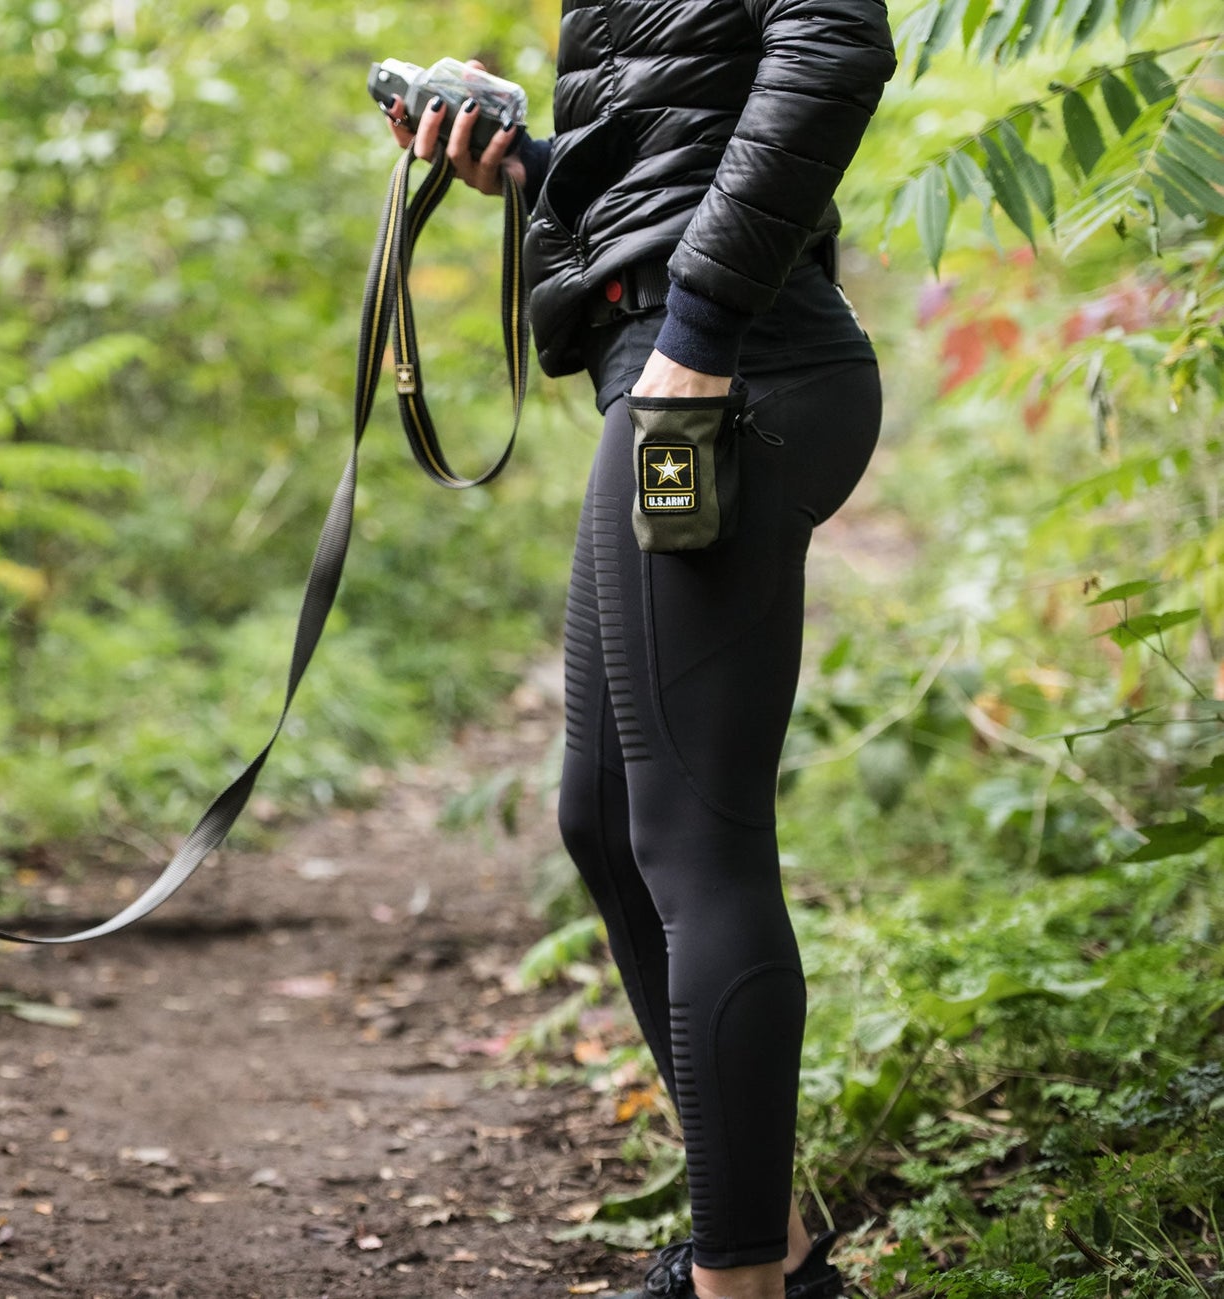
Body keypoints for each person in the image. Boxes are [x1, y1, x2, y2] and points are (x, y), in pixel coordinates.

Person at [382, 5, 897, 1299]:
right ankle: (765, 1248)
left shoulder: (715, 333)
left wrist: (702, 327)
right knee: (605, 817)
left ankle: (742, 1288)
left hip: (732, 363)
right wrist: (535, 167)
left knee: (691, 838)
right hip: (673, 354)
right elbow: (682, 141)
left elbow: (832, 49)